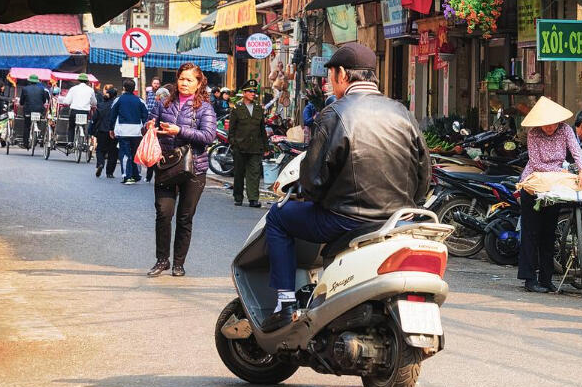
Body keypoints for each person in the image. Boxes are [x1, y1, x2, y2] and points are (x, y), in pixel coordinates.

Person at [260, 42, 431, 331]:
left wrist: (309, 195)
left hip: (345, 219)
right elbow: (424, 174)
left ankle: (285, 303)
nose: (330, 83)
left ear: (342, 74)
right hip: (398, 219)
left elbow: (313, 180)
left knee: (278, 217)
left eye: (331, 77)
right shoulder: (402, 112)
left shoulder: (335, 113)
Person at [147, 63, 220, 278]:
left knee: (185, 217)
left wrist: (180, 130)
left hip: (194, 168)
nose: (184, 83)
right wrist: (149, 128)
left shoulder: (205, 108)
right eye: (181, 79)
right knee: (163, 213)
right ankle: (162, 260)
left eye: (189, 80)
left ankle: (179, 263)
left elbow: (209, 136)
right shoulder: (163, 103)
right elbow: (148, 125)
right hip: (166, 165)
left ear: (198, 84)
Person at [516, 96, 582, 294]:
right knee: (531, 232)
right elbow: (536, 163)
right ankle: (529, 279)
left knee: (549, 232)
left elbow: (576, 151)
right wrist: (561, 172)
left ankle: (546, 279)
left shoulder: (565, 130)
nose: (549, 128)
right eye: (545, 124)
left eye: (552, 124)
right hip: (534, 184)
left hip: (555, 186)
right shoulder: (533, 134)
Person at [228, 79, 267, 208]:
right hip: (240, 146)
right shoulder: (237, 108)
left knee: (254, 173)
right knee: (239, 173)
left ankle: (253, 198)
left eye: (254, 92)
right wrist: (233, 143)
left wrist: (266, 146)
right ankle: (238, 197)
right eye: (250, 91)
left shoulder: (258, 109)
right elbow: (232, 129)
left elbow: (262, 129)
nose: (252, 94)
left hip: (255, 146)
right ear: (244, 93)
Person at [110, 79, 148, 184]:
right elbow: (145, 116)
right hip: (137, 131)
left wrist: (111, 128)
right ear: (134, 88)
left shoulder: (119, 100)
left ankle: (127, 176)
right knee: (135, 153)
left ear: (124, 88)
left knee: (125, 153)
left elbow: (112, 115)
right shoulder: (140, 100)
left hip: (123, 130)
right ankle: (136, 175)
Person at [92, 86, 120, 178]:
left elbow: (95, 118)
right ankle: (110, 173)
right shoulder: (117, 105)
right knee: (113, 152)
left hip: (102, 130)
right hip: (114, 131)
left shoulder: (101, 105)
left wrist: (92, 129)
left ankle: (100, 163)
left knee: (100, 149)